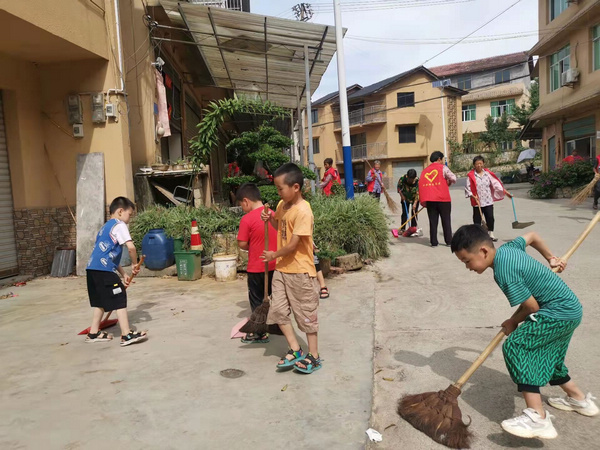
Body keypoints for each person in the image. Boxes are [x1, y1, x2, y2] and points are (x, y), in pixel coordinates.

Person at [451, 225, 597, 439]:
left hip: (555, 312)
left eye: (467, 261)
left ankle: (537, 417)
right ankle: (579, 400)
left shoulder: (503, 271)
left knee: (517, 346)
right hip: (571, 309)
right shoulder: (509, 248)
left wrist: (512, 322)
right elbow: (532, 236)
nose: (468, 267)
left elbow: (532, 308)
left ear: (483, 251)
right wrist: (551, 258)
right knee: (550, 355)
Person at [261, 163, 322, 374]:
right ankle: (295, 349)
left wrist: (273, 255)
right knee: (278, 311)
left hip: (300, 271)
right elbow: (281, 229)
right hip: (282, 270)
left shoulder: (304, 211)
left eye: (280, 188)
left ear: (295, 187)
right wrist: (270, 220)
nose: (278, 192)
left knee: (305, 314)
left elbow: (293, 244)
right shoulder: (281, 205)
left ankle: (314, 356)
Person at [85, 197, 148, 347]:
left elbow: (110, 257)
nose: (129, 220)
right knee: (119, 296)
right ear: (120, 211)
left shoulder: (105, 228)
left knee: (100, 301)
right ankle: (126, 334)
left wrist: (124, 274)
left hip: (92, 269)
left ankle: (93, 332)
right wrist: (134, 264)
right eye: (129, 215)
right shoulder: (120, 225)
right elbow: (131, 247)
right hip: (104, 270)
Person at [236, 183, 277, 344]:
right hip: (275, 265)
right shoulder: (273, 215)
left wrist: (252, 245)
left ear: (246, 201)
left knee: (257, 300)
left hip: (256, 267)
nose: (242, 208)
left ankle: (259, 332)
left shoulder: (247, 219)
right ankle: (276, 325)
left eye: (241, 205)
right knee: (275, 298)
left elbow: (242, 243)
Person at [465, 155, 512, 242]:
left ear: (483, 164)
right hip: (477, 201)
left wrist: (505, 192)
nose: (479, 165)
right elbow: (467, 188)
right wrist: (472, 195)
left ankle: (491, 234)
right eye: (477, 164)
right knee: (477, 219)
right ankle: (477, 236)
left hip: (488, 200)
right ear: (474, 165)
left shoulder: (488, 174)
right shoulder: (471, 176)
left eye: (480, 163)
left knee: (490, 217)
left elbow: (496, 184)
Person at [418, 151, 456, 247]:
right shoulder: (443, 168)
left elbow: (421, 186)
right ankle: (448, 241)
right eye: (442, 159)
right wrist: (449, 181)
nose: (442, 161)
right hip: (443, 199)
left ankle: (434, 242)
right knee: (446, 220)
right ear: (439, 159)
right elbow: (453, 178)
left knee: (433, 221)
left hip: (430, 200)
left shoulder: (425, 171)